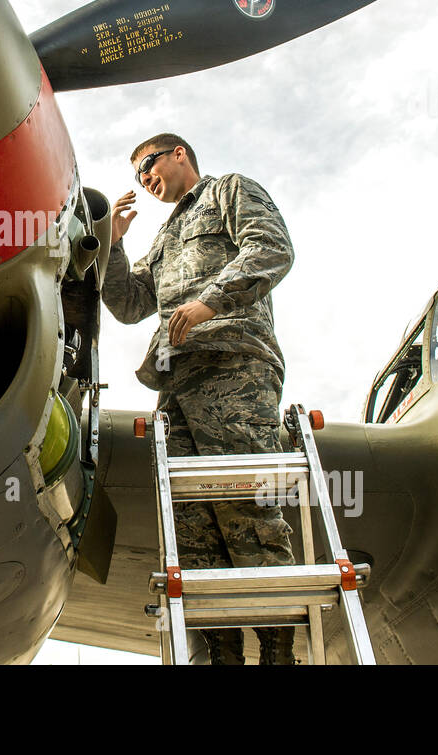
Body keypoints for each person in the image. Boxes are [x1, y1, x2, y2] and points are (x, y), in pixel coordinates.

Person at [102, 133, 297, 664]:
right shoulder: (164, 238)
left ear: (178, 154)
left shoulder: (227, 192)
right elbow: (127, 302)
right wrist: (113, 245)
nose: (145, 180)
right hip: (175, 381)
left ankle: (277, 645)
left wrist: (210, 302)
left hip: (233, 361)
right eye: (138, 176)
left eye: (148, 165)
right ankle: (222, 646)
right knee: (190, 521)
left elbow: (272, 248)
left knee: (245, 498)